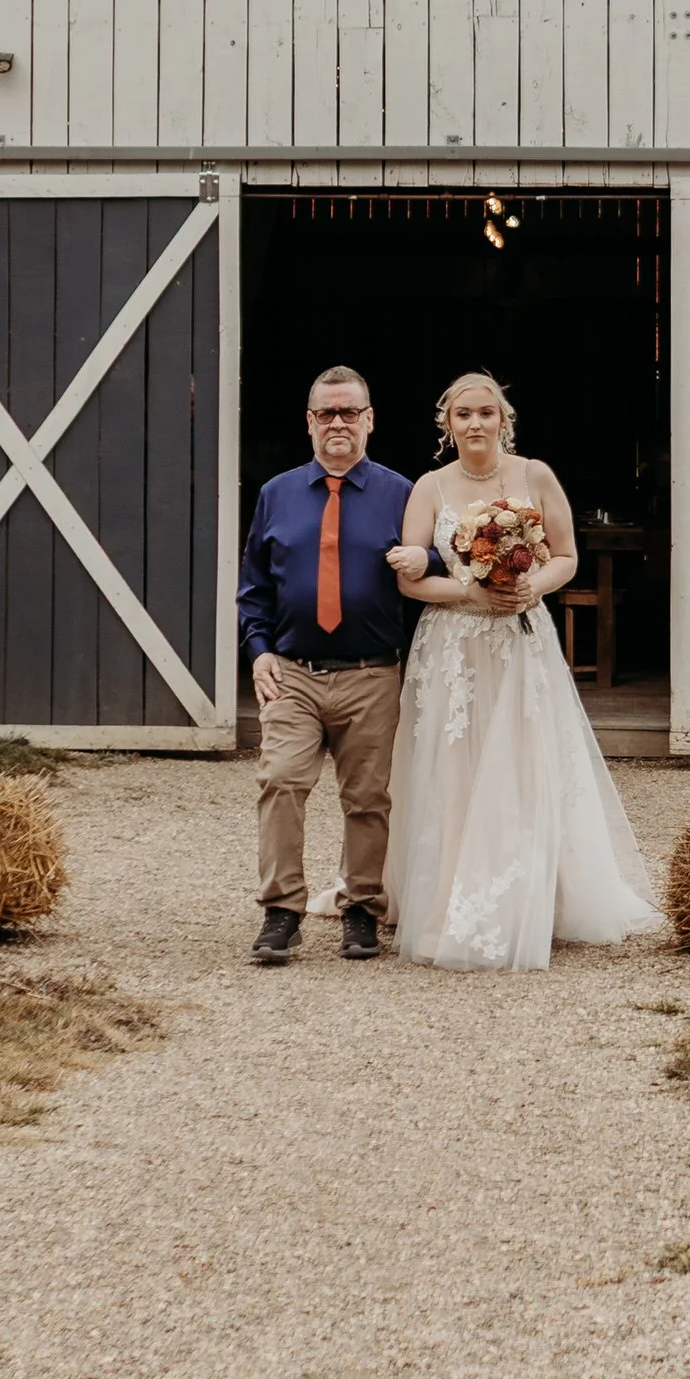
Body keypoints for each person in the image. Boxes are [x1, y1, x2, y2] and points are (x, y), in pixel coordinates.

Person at [384, 370, 664, 972]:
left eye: (486, 412)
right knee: (454, 768)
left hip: (520, 641)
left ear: (503, 419)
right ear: (448, 425)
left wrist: (529, 585)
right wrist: (471, 593)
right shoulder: (429, 487)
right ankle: (446, 904)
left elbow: (565, 556)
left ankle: (538, 899)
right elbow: (411, 579)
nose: (476, 423)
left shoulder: (534, 475)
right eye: (464, 415)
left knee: (524, 760)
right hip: (454, 649)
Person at [235, 365, 414, 966]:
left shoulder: (403, 493)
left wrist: (429, 553)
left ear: (370, 421)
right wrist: (259, 650)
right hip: (293, 671)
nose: (338, 423)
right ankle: (281, 912)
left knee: (367, 797)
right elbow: (254, 586)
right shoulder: (276, 494)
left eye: (350, 412)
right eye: (326, 413)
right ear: (308, 422)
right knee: (281, 780)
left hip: (371, 672)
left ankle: (361, 909)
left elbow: (435, 568)